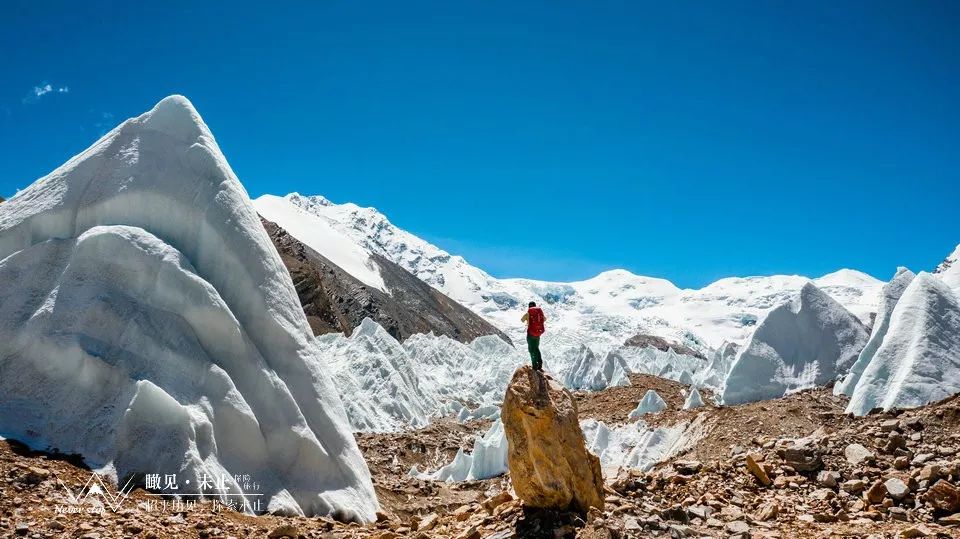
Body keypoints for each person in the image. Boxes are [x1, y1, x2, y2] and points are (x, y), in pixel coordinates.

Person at [520, 301, 546, 371]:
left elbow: (522, 320)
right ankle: (540, 363)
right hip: (538, 334)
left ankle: (534, 366)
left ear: (529, 307)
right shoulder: (539, 313)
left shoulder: (528, 313)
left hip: (530, 334)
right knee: (536, 348)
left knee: (531, 350)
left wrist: (528, 320)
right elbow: (545, 319)